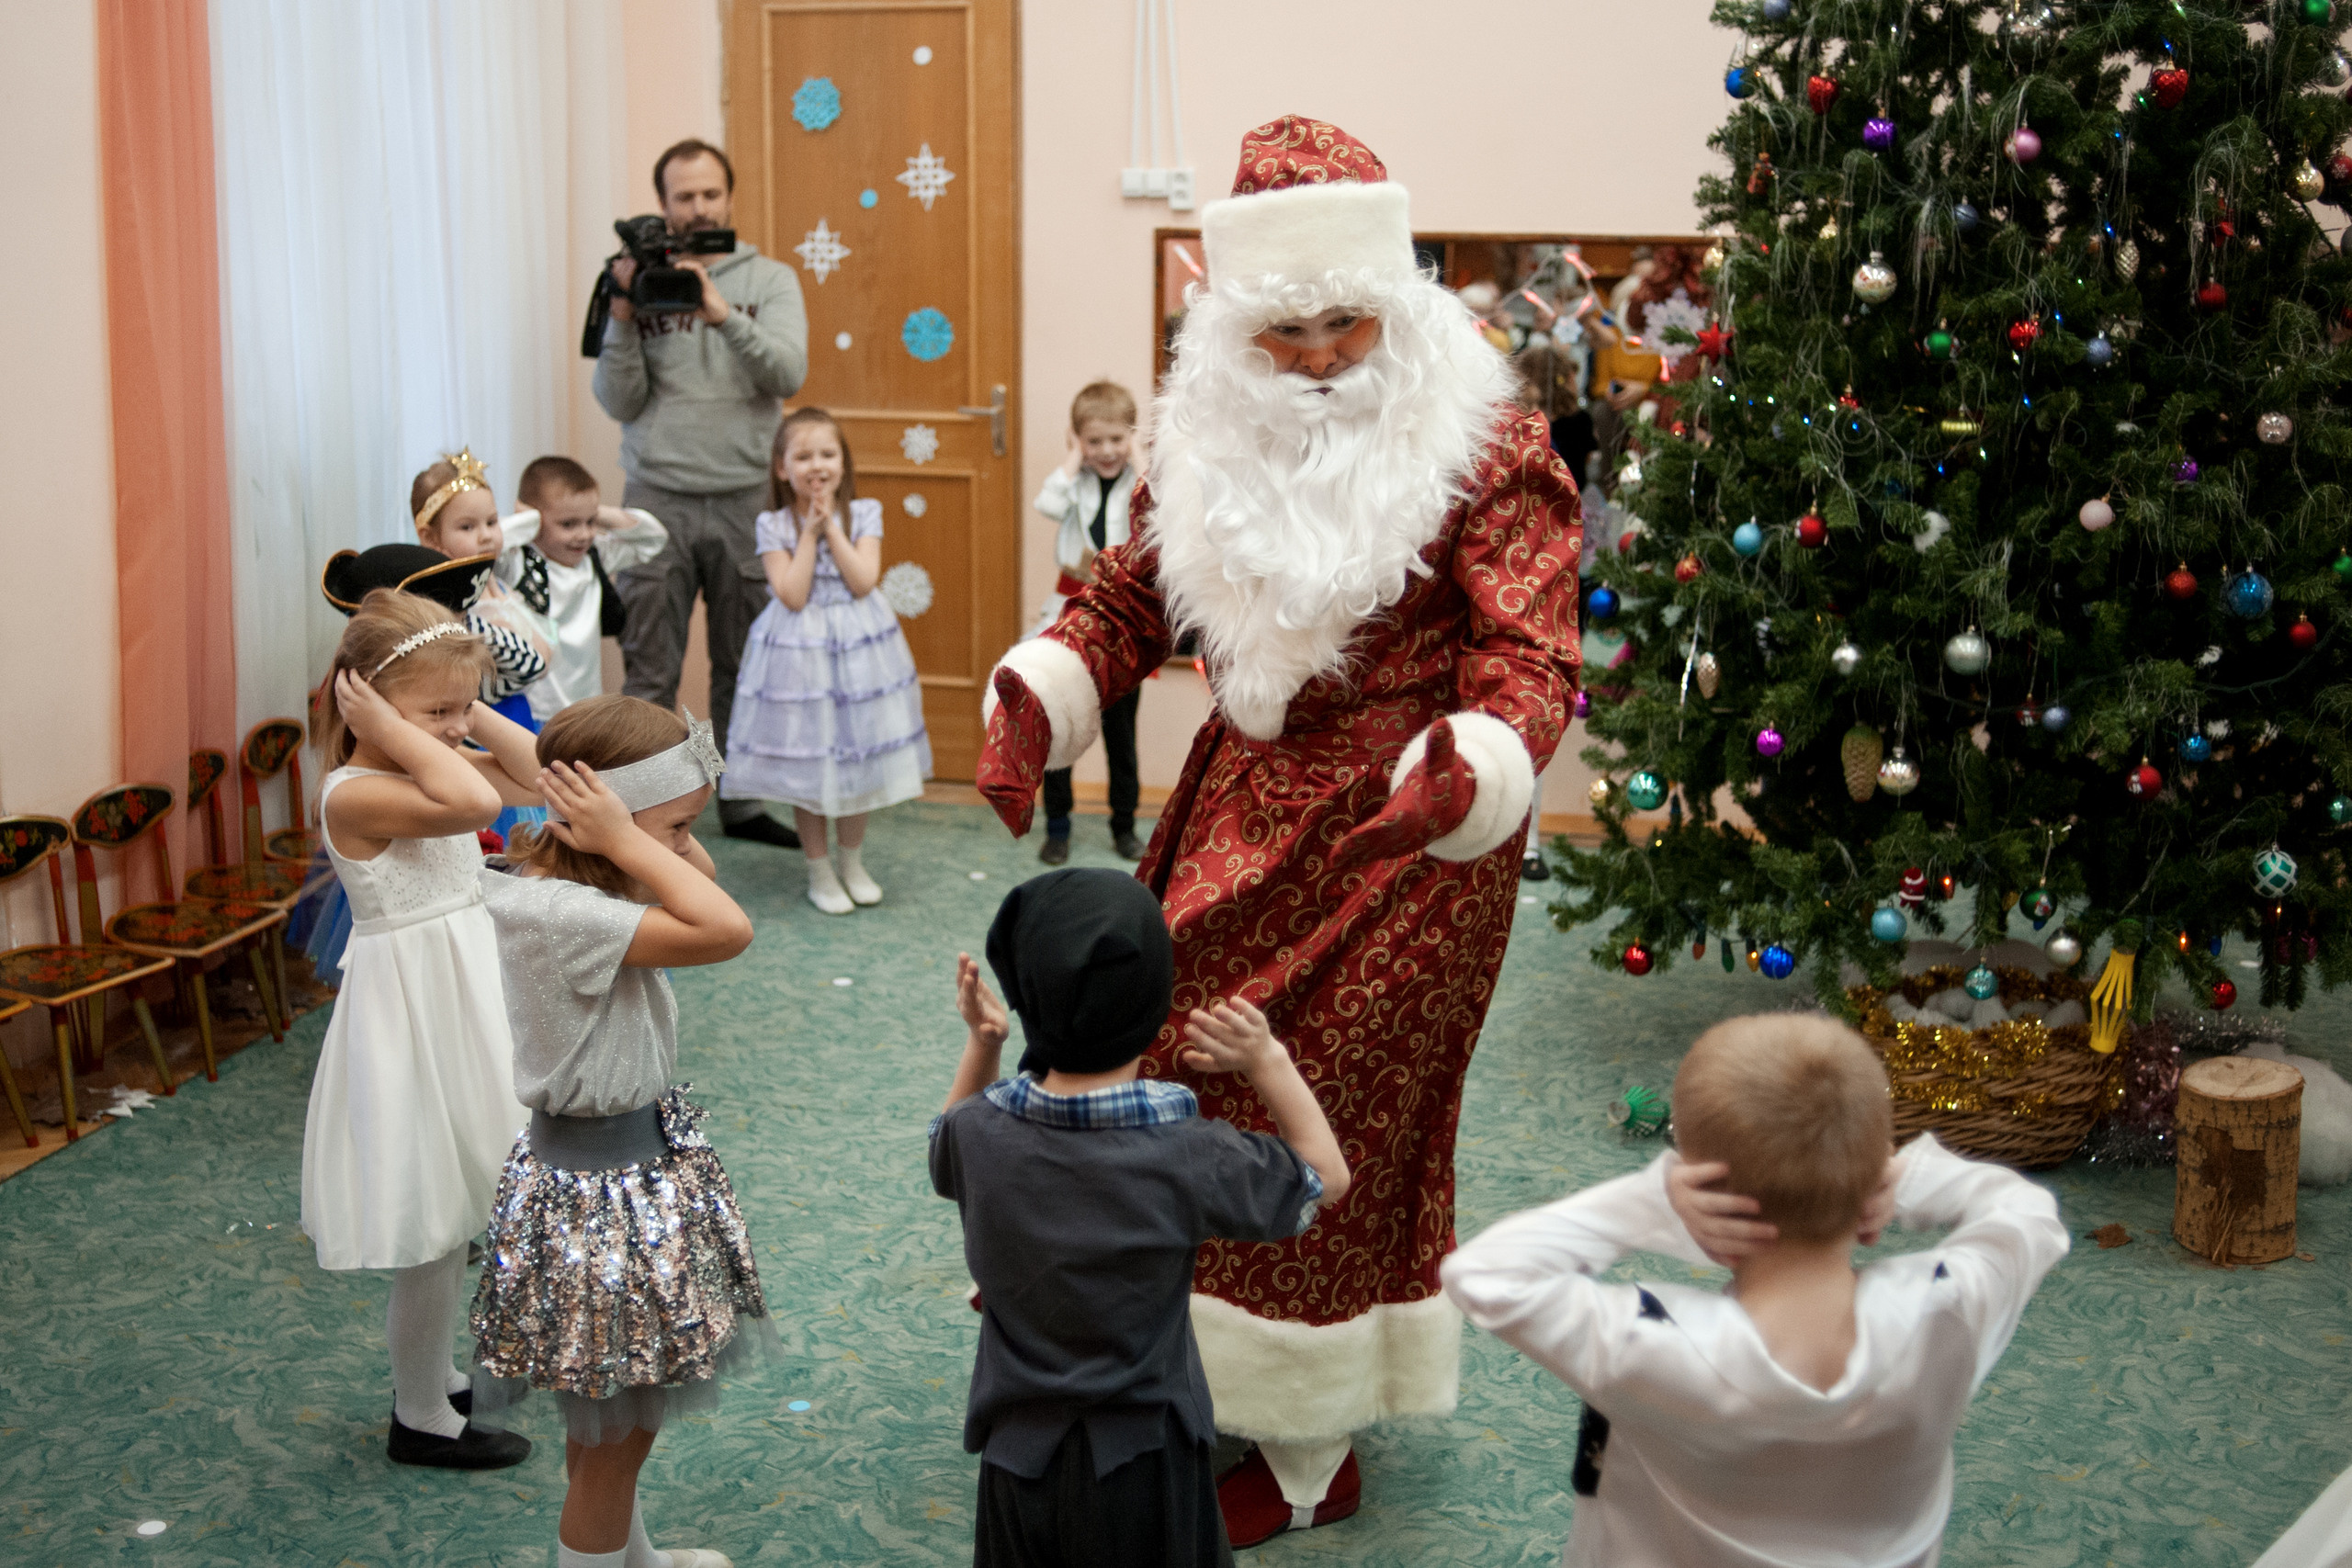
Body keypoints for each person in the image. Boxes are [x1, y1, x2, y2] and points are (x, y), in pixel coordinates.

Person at [974, 116, 1582, 1544]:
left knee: (1338, 1107)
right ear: (1236, 327)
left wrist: (1473, 767)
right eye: (1285, 329)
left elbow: (1532, 657)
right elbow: (1128, 596)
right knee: (1172, 1068)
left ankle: (1310, 1446)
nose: (1315, 354)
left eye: (1345, 321)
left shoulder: (1494, 446)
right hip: (1237, 811)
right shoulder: (1208, 431)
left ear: (1402, 300)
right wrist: (1037, 693)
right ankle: (1192, 1359)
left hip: (1410, 839)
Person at [1442, 1014, 2071, 1567]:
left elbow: (1483, 1274)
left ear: (1701, 1183)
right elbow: (2028, 1215)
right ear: (1875, 1166)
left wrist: (1649, 1202)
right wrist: (1907, 1178)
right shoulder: (1950, 1308)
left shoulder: (1646, 1341)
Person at [930, 868, 1350, 1568]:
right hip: (1149, 1466)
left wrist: (984, 1041)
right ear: (1157, 1003)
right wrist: (1266, 1059)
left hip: (1015, 1461)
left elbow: (944, 1148)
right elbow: (1324, 1177)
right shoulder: (1190, 1153)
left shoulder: (979, 1136)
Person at [469, 696, 764, 1568]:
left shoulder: (592, 880)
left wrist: (646, 829)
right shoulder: (565, 912)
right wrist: (637, 839)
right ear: (605, 819)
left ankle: (634, 1560)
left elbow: (699, 878)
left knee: (611, 1427)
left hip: (615, 1177)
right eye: (674, 826)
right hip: (603, 1201)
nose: (682, 846)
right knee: (614, 1442)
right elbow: (727, 925)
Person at [298, 589, 545, 1471]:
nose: (450, 728)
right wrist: (413, 730)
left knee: (461, 1204)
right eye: (432, 711)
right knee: (432, 1225)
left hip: (463, 989)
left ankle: (435, 1374)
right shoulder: (355, 792)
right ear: (358, 700)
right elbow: (473, 793)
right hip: (412, 1010)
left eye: (456, 711)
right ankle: (418, 1416)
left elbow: (534, 772)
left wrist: (465, 701)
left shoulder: (424, 757)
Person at [592, 136, 810, 851]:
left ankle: (738, 801)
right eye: (683, 196)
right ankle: (640, 815)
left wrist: (720, 311)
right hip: (656, 498)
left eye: (710, 193)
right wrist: (623, 313)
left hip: (747, 495)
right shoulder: (635, 281)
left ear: (729, 196)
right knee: (649, 664)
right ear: (663, 204)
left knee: (742, 663)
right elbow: (618, 398)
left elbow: (787, 373)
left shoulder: (770, 279)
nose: (697, 207)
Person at [721, 408, 930, 915]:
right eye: (803, 456)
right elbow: (791, 594)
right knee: (810, 767)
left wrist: (831, 526)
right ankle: (819, 870)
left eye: (827, 454)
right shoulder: (773, 523)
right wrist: (808, 534)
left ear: (843, 462)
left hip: (861, 657)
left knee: (857, 760)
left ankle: (852, 863)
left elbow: (863, 581)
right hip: (801, 661)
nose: (817, 465)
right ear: (781, 468)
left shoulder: (866, 513)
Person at [1027, 381, 1145, 863]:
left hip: (1121, 618)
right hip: (1072, 610)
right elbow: (1047, 505)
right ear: (1077, 442)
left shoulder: (1142, 483)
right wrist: (1072, 460)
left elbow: (1163, 506)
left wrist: (1141, 456)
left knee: (1121, 733)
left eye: (1117, 439)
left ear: (1131, 439)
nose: (1107, 451)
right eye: (1093, 441)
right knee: (1062, 723)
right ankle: (1057, 826)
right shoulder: (1072, 484)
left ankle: (1124, 825)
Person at [499, 455, 672, 723]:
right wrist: (529, 520)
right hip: (533, 708)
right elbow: (488, 545)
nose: (583, 534)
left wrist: (591, 510)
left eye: (590, 522)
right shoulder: (517, 561)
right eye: (568, 524)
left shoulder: (593, 556)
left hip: (587, 708)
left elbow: (653, 538)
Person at [409, 449, 552, 730]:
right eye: (467, 526)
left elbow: (545, 656)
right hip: (478, 726)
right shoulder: (446, 603)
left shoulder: (497, 583)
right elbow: (533, 665)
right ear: (430, 537)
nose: (486, 535)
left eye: (492, 522)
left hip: (519, 715)